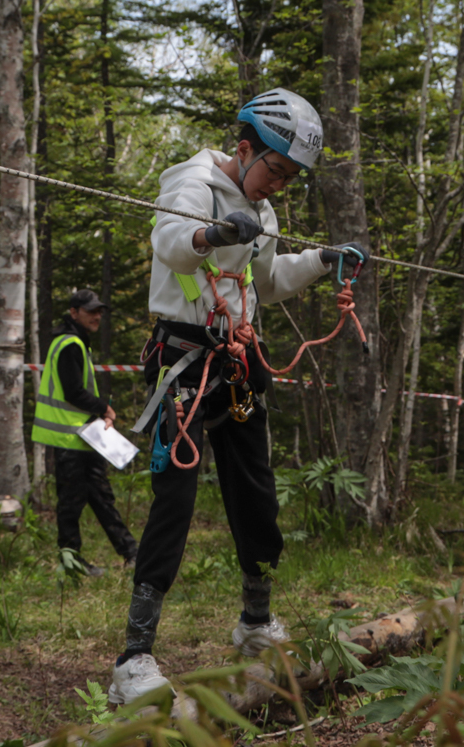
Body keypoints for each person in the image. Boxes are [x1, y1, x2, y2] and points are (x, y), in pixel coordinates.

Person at [107, 89, 369, 705]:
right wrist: (212, 234)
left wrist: (321, 259)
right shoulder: (192, 183)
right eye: (274, 169)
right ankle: (134, 658)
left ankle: (256, 621)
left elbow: (267, 281)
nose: (278, 185)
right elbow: (172, 241)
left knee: (255, 489)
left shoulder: (262, 210)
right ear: (245, 148)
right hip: (185, 364)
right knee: (175, 496)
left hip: (239, 363)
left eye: (290, 177)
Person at [32, 289, 139, 577]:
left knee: (101, 496)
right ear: (74, 312)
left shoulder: (74, 341)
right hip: (69, 436)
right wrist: (105, 408)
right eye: (91, 310)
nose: (97, 316)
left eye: (99, 311)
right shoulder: (70, 344)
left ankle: (131, 553)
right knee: (71, 503)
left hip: (83, 435)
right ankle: (72, 562)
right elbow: (73, 392)